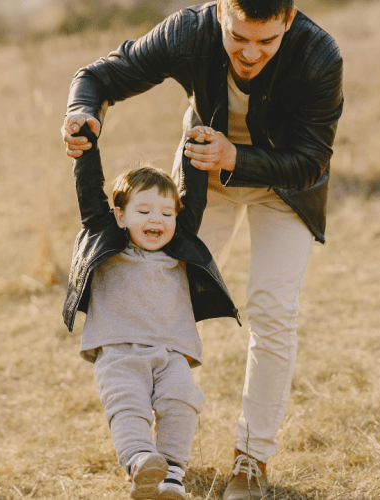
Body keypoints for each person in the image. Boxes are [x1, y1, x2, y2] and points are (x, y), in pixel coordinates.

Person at [61, 1, 343, 498]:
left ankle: (251, 459)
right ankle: (152, 449)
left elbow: (312, 160)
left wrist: (235, 155)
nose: (250, 53)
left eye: (266, 41)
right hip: (199, 179)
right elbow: (100, 76)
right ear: (220, 14)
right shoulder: (188, 31)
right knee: (165, 292)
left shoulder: (320, 55)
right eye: (238, 37)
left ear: (290, 19)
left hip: (284, 187)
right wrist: (81, 112)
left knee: (272, 310)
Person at [63, 124, 239, 500]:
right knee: (128, 406)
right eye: (143, 210)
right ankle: (142, 463)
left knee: (180, 403)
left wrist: (197, 143)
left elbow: (194, 196)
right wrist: (85, 145)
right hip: (118, 351)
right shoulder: (106, 239)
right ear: (120, 216)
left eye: (166, 212)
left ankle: (173, 475)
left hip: (172, 351)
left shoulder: (179, 248)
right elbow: (90, 192)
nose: (156, 220)